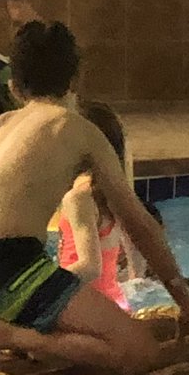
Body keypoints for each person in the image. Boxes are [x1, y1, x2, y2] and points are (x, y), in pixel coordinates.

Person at [0, 21, 189, 374]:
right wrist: (186, 304)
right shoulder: (77, 128)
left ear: (14, 86)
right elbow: (139, 224)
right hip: (11, 267)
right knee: (142, 353)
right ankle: (8, 334)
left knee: (51, 312)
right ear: (76, 78)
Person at [57, 100, 137, 311]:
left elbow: (90, 267)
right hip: (115, 304)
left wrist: (42, 286)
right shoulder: (113, 190)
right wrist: (135, 275)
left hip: (85, 308)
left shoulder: (79, 198)